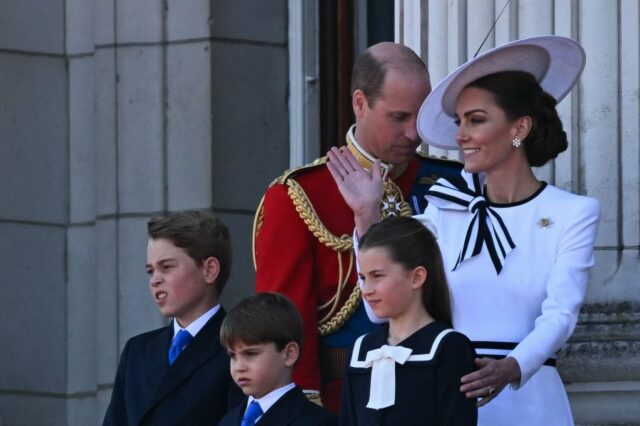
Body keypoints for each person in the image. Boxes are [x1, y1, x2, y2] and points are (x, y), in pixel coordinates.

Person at [327, 36, 601, 425]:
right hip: (447, 397)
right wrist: (366, 217)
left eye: (476, 120)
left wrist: (512, 367)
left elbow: (560, 315)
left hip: (530, 397)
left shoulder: (572, 213)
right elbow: (377, 311)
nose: (460, 136)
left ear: (518, 128)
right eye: (460, 122)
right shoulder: (442, 212)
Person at [253, 41, 462, 412]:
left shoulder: (451, 184)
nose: (414, 134)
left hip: (443, 393)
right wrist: (303, 414)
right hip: (345, 402)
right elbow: (282, 326)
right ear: (360, 103)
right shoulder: (300, 195)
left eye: (420, 116)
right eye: (399, 118)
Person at [103, 210, 242, 426]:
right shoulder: (137, 351)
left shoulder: (239, 348)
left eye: (166, 267)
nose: (155, 280)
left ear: (209, 270)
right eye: (150, 271)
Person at [340, 217, 477, 425]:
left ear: (416, 277)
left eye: (377, 276)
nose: (367, 290)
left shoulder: (448, 347)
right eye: (363, 278)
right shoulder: (362, 349)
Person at [218, 292, 337, 426]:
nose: (239, 367)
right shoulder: (228, 421)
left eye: (251, 354)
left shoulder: (318, 422)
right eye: (233, 355)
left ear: (289, 354)